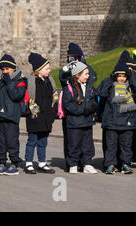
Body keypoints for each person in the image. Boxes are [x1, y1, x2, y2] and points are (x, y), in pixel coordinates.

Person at [59, 43, 97, 171]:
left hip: (86, 115)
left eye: (74, 57)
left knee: (87, 142)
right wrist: (70, 67)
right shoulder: (67, 72)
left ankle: (86, 163)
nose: (71, 59)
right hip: (74, 117)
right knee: (73, 141)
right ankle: (72, 163)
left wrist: (91, 107)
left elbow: (91, 78)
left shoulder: (87, 70)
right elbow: (62, 78)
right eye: (69, 57)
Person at [97, 57, 136, 174]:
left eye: (124, 76)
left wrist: (131, 77)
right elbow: (101, 93)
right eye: (119, 76)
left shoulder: (131, 86)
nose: (121, 79)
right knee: (111, 146)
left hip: (128, 122)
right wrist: (110, 80)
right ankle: (110, 164)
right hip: (112, 122)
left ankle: (126, 164)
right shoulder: (110, 85)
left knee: (126, 145)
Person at [24, 53, 58, 174]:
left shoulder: (50, 81)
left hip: (46, 117)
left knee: (43, 141)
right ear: (38, 71)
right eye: (47, 68)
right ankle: (28, 163)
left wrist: (52, 113)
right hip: (34, 116)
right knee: (32, 141)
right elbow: (28, 99)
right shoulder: (31, 82)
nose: (49, 70)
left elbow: (53, 98)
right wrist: (31, 111)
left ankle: (42, 163)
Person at [0, 54, 26, 176]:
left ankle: (14, 163)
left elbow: (16, 96)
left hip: (12, 116)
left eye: (7, 69)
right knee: (1, 141)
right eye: (3, 69)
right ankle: (2, 162)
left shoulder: (20, 81)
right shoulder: (1, 82)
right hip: (1, 115)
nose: (5, 71)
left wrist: (9, 83)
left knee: (12, 141)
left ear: (13, 68)